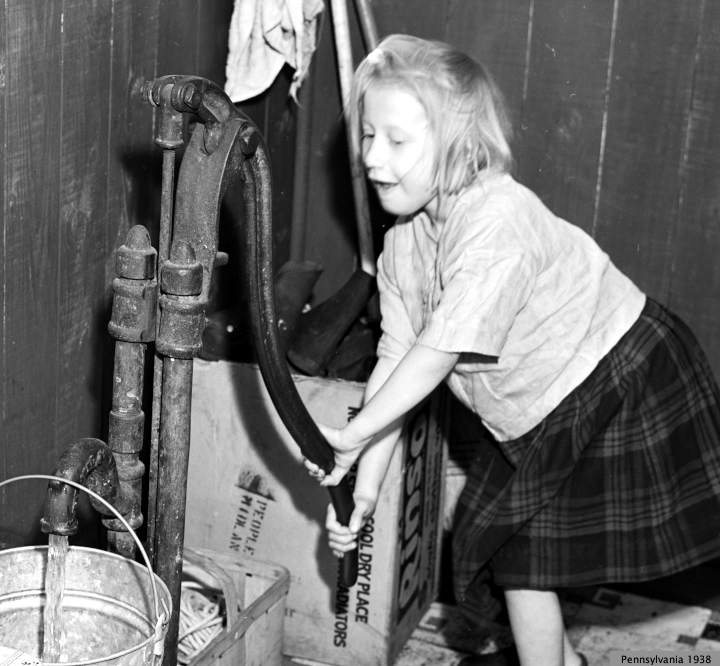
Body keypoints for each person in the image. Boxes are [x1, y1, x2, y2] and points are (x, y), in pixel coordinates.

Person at [304, 33, 720, 666]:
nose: (372, 158)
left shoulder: (496, 218)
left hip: (618, 374)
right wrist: (366, 485)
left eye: (397, 141)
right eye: (367, 135)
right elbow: (396, 356)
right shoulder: (404, 244)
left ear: (459, 145)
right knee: (517, 558)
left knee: (520, 552)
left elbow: (438, 351)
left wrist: (355, 433)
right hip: (541, 409)